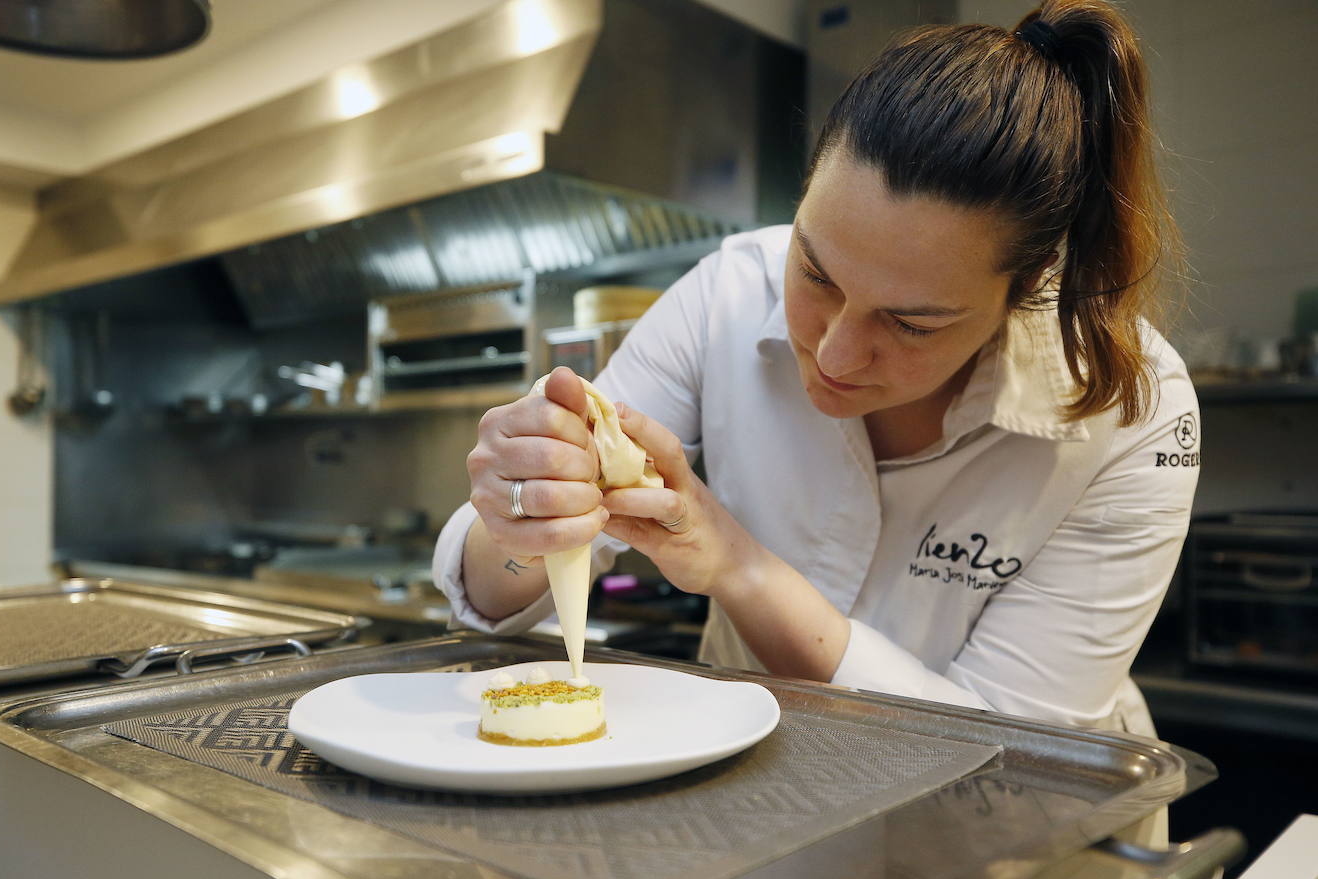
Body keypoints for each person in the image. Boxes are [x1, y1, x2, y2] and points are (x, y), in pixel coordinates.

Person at [433, 0, 1197, 738]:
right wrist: (522, 511)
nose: (833, 353)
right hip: (757, 798)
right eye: (815, 273)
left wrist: (734, 563)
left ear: (1024, 289)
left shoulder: (1138, 412)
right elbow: (501, 584)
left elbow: (1016, 748)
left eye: (910, 322)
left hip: (1016, 840)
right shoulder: (725, 295)